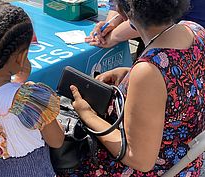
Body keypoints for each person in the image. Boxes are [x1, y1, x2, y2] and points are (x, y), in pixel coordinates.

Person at [59, 0, 205, 176]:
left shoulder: (150, 70)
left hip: (157, 168)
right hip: (186, 161)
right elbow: (181, 82)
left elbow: (139, 159)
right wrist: (129, 75)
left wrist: (87, 115)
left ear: (124, 10)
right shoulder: (194, 30)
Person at [0, 1, 64, 176]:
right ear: (22, 58)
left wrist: (19, 73)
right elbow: (57, 140)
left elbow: (0, 94)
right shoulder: (30, 100)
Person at [86, 0, 205, 59]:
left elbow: (153, 19)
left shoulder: (148, 68)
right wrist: (111, 23)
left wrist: (113, 36)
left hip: (174, 39)